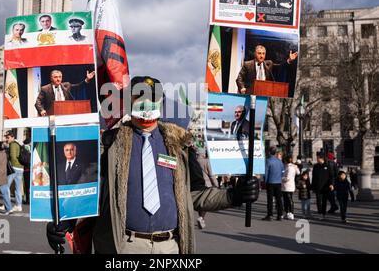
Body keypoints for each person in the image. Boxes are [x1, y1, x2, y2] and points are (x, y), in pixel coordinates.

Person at [46, 76, 260, 254]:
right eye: (140, 100)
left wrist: (234, 195)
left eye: (153, 100)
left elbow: (195, 194)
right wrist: (64, 220)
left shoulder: (180, 146)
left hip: (170, 248)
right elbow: (88, 191)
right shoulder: (109, 143)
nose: (147, 108)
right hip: (124, 247)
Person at [195, 150, 219, 229]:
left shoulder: (193, 161)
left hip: (196, 184)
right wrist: (216, 184)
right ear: (203, 154)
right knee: (205, 203)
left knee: (200, 201)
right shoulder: (206, 161)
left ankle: (201, 218)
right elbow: (211, 175)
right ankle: (201, 218)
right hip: (206, 184)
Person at [263, 147, 285, 221]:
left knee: (270, 200)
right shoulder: (279, 162)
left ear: (269, 152)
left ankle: (270, 215)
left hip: (270, 182)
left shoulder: (268, 161)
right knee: (278, 199)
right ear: (275, 153)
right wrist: (280, 178)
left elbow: (266, 173)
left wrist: (265, 181)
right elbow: (283, 172)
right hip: (278, 182)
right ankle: (280, 215)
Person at [4, 131, 23, 213]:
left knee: (5, 186)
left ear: (12, 137)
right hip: (20, 168)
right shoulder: (18, 144)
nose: (6, 139)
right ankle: (19, 205)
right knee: (17, 188)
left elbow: (13, 156)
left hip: (14, 167)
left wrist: (11, 164)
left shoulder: (12, 144)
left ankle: (7, 204)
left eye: (7, 137)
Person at [312, 153, 334, 220]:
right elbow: (314, 177)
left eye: (318, 158)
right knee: (318, 201)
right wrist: (313, 186)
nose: (317, 159)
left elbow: (331, 176)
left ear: (321, 158)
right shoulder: (315, 166)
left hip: (325, 187)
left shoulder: (327, 166)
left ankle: (323, 213)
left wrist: (331, 184)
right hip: (318, 186)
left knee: (324, 201)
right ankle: (320, 213)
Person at [281, 156, 300, 220]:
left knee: (289, 199)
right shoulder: (292, 166)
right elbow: (298, 172)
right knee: (286, 199)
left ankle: (291, 213)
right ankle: (287, 212)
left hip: (288, 186)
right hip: (288, 186)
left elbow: (287, 178)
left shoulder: (289, 167)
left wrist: (281, 178)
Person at [23, 138, 31, 205]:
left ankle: (27, 200)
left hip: (26, 169)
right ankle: (28, 199)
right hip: (29, 169)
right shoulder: (28, 149)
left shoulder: (24, 149)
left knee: (27, 185)